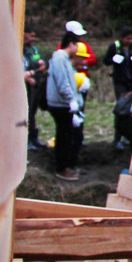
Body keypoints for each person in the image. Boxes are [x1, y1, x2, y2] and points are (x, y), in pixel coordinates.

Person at [45, 30, 86, 181]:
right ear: (71, 44)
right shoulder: (60, 58)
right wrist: (71, 99)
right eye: (77, 45)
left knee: (68, 134)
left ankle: (66, 165)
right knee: (64, 136)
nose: (77, 49)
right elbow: (63, 82)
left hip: (64, 103)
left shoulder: (63, 59)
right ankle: (62, 168)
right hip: (60, 104)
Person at [105, 27, 132, 150]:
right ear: (122, 38)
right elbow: (106, 61)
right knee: (122, 107)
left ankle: (128, 136)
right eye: (127, 38)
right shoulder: (114, 47)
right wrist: (113, 60)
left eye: (131, 38)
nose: (129, 41)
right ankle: (117, 138)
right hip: (120, 82)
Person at [21, 26, 47, 149]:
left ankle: (33, 138)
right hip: (27, 85)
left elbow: (44, 62)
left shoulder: (34, 50)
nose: (33, 39)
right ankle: (26, 140)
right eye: (30, 36)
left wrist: (38, 66)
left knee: (33, 112)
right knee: (27, 113)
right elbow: (30, 64)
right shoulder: (20, 49)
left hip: (37, 83)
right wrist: (37, 66)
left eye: (34, 36)